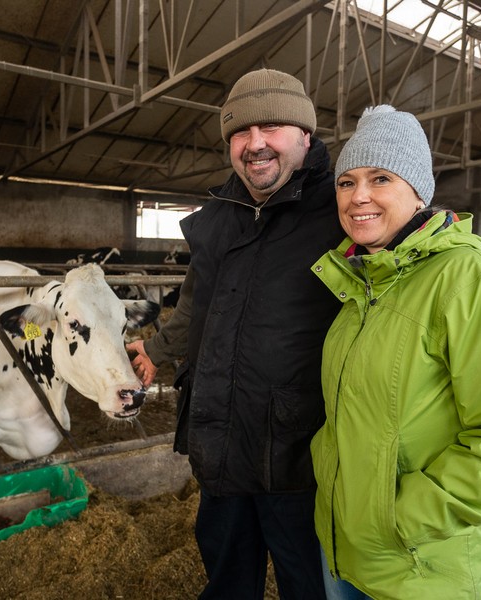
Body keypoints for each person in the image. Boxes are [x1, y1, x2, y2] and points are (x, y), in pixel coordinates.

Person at [310, 105, 481, 600]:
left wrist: (399, 519)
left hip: (420, 562)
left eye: (380, 178)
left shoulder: (470, 282)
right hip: (345, 550)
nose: (359, 196)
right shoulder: (361, 284)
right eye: (346, 182)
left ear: (420, 192)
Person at [125, 68, 343, 599]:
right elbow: (197, 300)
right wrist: (157, 349)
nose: (255, 144)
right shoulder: (220, 213)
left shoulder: (341, 211)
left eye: (271, 128)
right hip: (219, 432)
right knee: (226, 576)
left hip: (297, 447)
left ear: (305, 136)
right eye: (241, 132)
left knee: (307, 581)